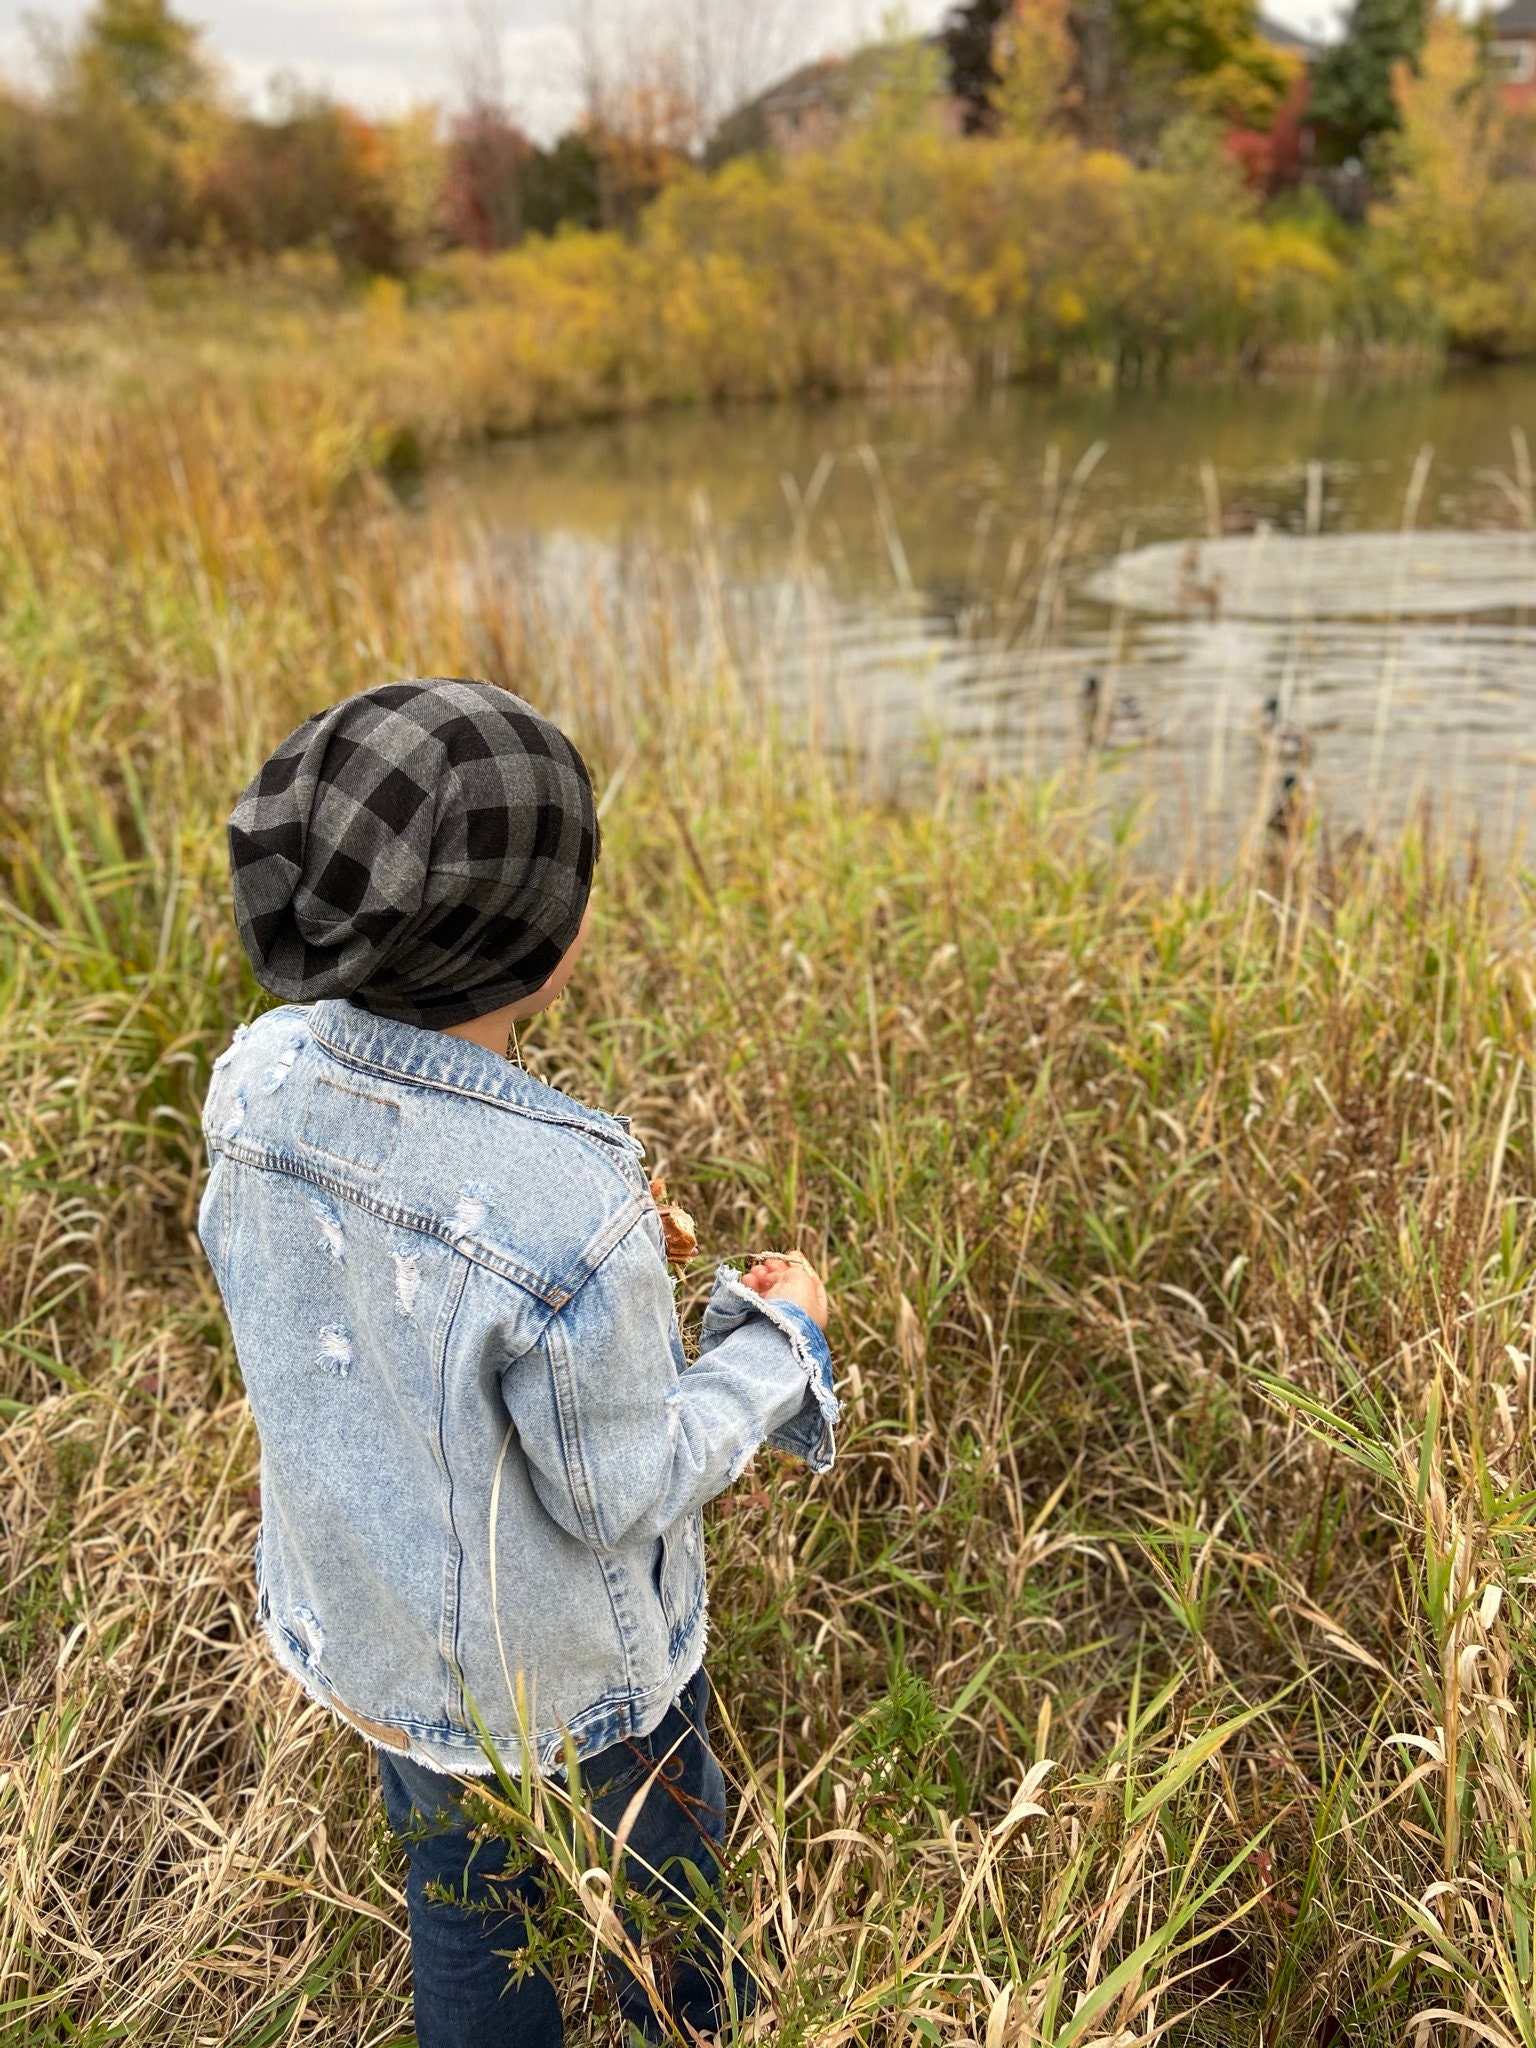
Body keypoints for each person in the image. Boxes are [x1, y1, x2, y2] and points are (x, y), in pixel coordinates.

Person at [198, 677, 837, 2047]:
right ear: (554, 946)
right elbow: (618, 1488)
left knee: (464, 1897)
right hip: (583, 1683)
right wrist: (776, 1348)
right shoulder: (568, 1200)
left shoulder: (251, 1085)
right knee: (661, 1892)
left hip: (381, 1640)